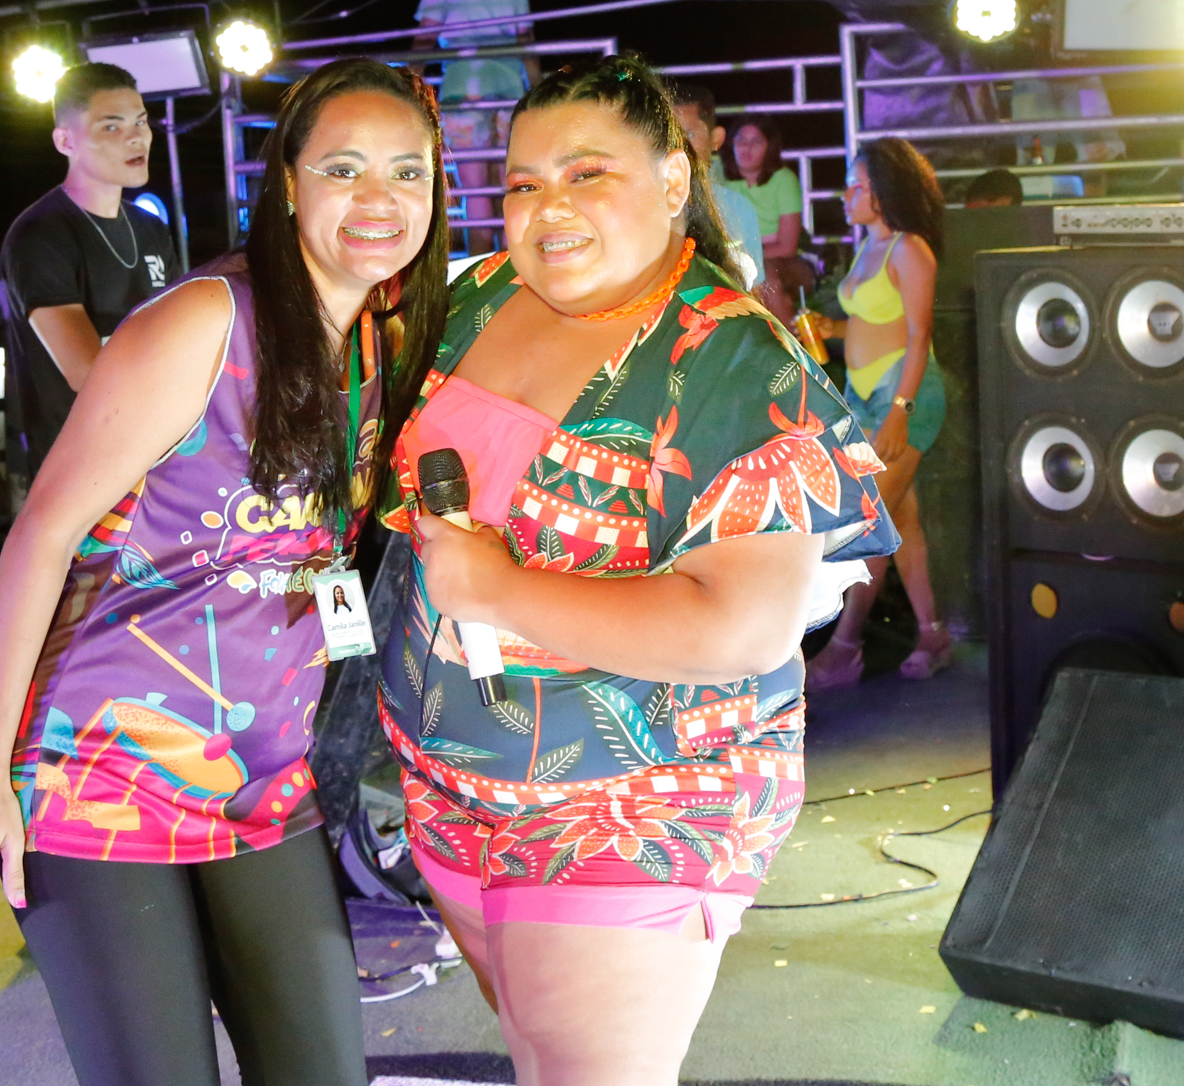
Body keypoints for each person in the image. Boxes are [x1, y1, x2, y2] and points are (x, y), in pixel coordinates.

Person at [0, 58, 451, 1086]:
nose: (379, 199)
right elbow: (41, 534)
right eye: (343, 168)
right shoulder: (208, 318)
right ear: (288, 183)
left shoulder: (376, 340)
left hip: (264, 777)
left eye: (408, 172)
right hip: (99, 770)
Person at [382, 56, 895, 1086]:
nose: (547, 207)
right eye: (522, 183)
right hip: (446, 778)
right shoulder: (478, 296)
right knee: (537, 1058)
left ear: (672, 180)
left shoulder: (733, 358)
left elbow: (738, 629)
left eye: (586, 174)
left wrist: (498, 589)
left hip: (631, 800)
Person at [802, 138, 952, 690]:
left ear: (883, 193)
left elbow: (919, 335)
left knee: (870, 524)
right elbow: (870, 323)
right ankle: (934, 635)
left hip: (903, 398)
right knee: (901, 522)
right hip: (864, 398)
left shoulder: (910, 250)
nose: (845, 196)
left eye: (855, 186)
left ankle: (844, 649)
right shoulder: (869, 245)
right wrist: (831, 329)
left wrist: (900, 413)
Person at [0, 63, 178, 489]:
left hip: (151, 456)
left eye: (141, 122)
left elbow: (177, 336)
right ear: (65, 141)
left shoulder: (150, 227)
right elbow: (86, 372)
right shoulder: (42, 233)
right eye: (111, 127)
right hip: (74, 468)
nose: (136, 138)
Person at [417, 0, 535, 253]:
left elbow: (426, 34)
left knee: (475, 188)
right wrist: (536, 87)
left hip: (464, 82)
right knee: (509, 183)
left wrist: (410, 79)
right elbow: (526, 39)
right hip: (509, 84)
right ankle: (514, 268)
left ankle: (480, 269)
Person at [671, 81, 763, 293]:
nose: (678, 145)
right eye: (668, 135)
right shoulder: (645, 206)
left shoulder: (737, 209)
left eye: (689, 135)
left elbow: (751, 289)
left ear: (716, 139)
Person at [723, 115, 814, 305]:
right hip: (736, 261)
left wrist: (743, 251)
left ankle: (786, 327)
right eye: (741, 141)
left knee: (766, 281)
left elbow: (787, 247)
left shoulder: (783, 180)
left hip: (783, 262)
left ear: (769, 147)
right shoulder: (720, 178)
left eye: (756, 142)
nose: (747, 148)